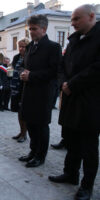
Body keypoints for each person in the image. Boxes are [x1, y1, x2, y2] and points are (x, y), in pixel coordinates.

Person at [48, 5, 100, 200]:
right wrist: (63, 83)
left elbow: (97, 68)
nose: (72, 23)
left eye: (77, 19)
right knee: (70, 140)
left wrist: (73, 84)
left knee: (88, 146)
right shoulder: (73, 40)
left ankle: (86, 186)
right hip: (70, 98)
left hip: (90, 101)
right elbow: (62, 65)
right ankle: (71, 174)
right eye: (71, 19)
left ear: (91, 16)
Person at [18, 15, 61, 168]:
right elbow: (23, 65)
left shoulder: (53, 47)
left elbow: (54, 71)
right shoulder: (30, 47)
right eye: (30, 29)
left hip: (43, 93)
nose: (31, 32)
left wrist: (32, 75)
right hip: (28, 90)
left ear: (44, 29)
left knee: (41, 125)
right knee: (29, 123)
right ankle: (32, 151)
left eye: (34, 29)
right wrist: (22, 73)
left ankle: (40, 156)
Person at [10, 38, 30, 143]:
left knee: (23, 112)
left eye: (23, 46)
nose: (21, 48)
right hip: (15, 87)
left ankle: (24, 133)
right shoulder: (16, 57)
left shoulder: (29, 57)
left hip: (24, 87)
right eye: (20, 46)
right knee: (18, 111)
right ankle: (21, 131)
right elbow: (14, 69)